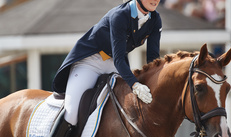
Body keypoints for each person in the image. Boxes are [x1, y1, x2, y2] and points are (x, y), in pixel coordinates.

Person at [50, 0, 162, 136]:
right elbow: (120, 58)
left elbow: (153, 59)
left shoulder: (155, 19)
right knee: (72, 113)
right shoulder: (120, 15)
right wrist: (135, 85)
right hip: (90, 62)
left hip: (114, 65)